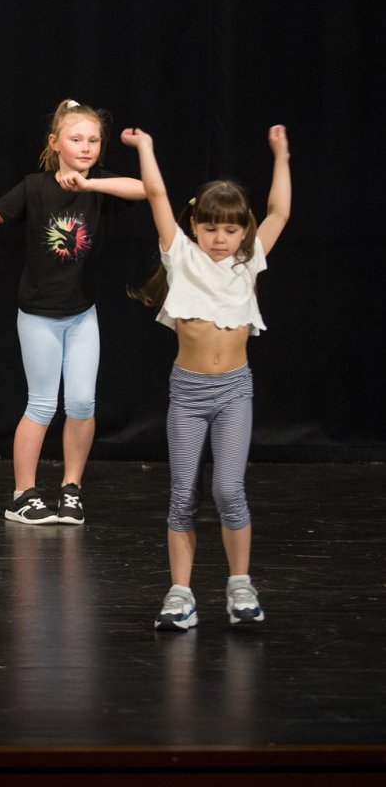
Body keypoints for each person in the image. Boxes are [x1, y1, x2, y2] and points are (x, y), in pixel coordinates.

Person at [0, 99, 144, 527]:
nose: (85, 147)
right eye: (76, 139)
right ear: (55, 143)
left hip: (82, 314)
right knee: (43, 404)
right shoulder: (35, 186)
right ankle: (23, 495)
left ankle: (71, 488)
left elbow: (144, 189)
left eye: (93, 140)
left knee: (82, 401)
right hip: (38, 316)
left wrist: (91, 186)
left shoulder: (101, 186)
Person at [122, 125, 291, 630]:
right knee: (182, 496)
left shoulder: (248, 261)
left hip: (234, 391)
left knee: (229, 491)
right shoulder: (181, 255)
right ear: (195, 224)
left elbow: (280, 212)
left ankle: (240, 585)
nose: (220, 239)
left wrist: (281, 155)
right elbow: (156, 194)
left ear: (243, 232)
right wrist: (146, 148)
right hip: (189, 394)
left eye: (230, 230)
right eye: (211, 228)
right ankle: (180, 594)